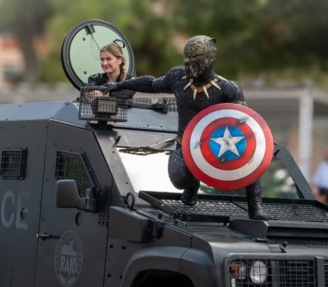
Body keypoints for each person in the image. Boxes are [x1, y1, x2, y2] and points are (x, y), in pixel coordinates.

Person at [106, 36, 268, 219]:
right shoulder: (178, 78)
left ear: (209, 59)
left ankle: (256, 207)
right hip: (185, 147)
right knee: (179, 176)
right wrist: (117, 85)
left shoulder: (228, 89)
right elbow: (150, 84)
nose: (191, 66)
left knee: (250, 158)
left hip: (216, 150)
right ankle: (192, 186)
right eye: (188, 61)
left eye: (196, 60)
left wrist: (258, 141)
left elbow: (244, 124)